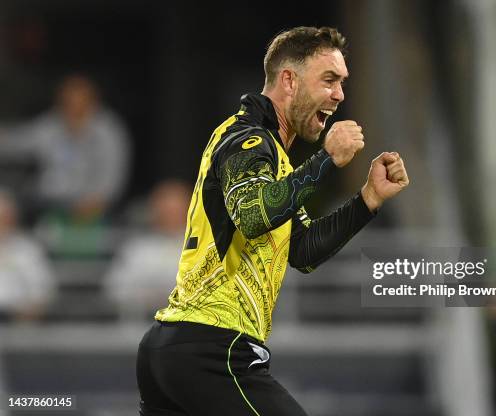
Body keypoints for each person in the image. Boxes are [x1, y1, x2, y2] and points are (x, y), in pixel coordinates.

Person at [137, 26, 409, 416]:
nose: (339, 95)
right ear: (289, 80)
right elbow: (251, 215)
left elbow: (303, 251)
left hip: (178, 348)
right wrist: (326, 160)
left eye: (343, 83)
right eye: (329, 80)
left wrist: (368, 200)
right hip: (212, 349)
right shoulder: (249, 139)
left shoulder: (273, 156)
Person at [0, 74, 130, 224]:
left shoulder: (109, 130)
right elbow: (20, 141)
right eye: (67, 100)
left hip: (92, 203)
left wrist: (96, 201)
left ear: (93, 101)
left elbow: (112, 175)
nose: (73, 104)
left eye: (79, 100)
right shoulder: (51, 124)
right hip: (46, 201)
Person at [105, 180, 191, 320]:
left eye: (176, 209)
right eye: (166, 209)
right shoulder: (136, 248)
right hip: (139, 326)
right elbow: (114, 289)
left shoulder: (203, 248)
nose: (171, 215)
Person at [0, 188, 55, 321]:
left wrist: (27, 313)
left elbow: (43, 290)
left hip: (15, 321)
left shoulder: (28, 250)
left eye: (4, 217)